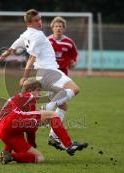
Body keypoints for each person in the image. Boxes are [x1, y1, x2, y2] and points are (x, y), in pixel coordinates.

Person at [0, 9, 80, 150]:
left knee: (63, 106)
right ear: (29, 23)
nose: (40, 22)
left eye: (40, 19)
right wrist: (24, 77)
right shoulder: (39, 36)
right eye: (36, 20)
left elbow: (9, 50)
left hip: (43, 73)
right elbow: (31, 59)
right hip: (50, 72)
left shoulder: (25, 35)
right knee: (75, 89)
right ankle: (47, 107)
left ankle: (53, 137)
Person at [0, 79, 88, 165]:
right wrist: (32, 143)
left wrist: (8, 150)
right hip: (11, 120)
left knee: (39, 158)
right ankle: (69, 144)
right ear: (30, 89)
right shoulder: (29, 96)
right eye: (38, 90)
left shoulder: (16, 98)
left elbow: (7, 128)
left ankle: (9, 156)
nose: (40, 94)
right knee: (52, 115)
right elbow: (31, 129)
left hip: (2, 130)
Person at [47, 16, 79, 150]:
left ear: (63, 28)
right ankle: (46, 110)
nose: (58, 28)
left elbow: (74, 56)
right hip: (51, 76)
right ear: (52, 27)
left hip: (64, 77)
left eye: (60, 26)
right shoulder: (47, 41)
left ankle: (53, 137)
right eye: (56, 26)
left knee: (63, 107)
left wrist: (73, 62)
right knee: (59, 104)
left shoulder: (69, 42)